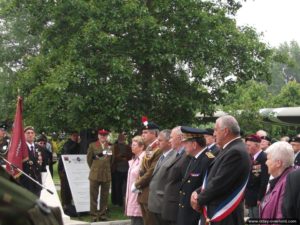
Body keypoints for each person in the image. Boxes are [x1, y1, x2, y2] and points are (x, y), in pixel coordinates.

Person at [192, 115, 251, 225]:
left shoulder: (235, 152)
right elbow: (214, 177)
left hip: (224, 215)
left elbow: (220, 182)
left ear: (225, 131)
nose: (214, 134)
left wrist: (199, 200)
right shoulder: (229, 149)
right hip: (218, 212)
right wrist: (197, 192)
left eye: (215, 130)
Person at [177, 126, 214, 225]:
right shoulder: (193, 158)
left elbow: (207, 186)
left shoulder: (208, 159)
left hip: (195, 214)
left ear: (194, 144)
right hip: (186, 212)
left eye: (185, 143)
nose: (183, 146)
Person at [132, 121, 162, 225]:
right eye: (143, 132)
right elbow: (142, 170)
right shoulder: (149, 148)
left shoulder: (159, 149)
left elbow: (151, 172)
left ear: (154, 134)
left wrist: (137, 183)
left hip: (151, 193)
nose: (142, 135)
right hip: (143, 193)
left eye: (145, 132)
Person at [260, 141, 295, 222]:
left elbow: (282, 218)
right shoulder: (282, 178)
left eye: (268, 159)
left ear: (278, 163)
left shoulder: (288, 183)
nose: (266, 162)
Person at [161, 126, 189, 225]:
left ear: (180, 138)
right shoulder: (177, 154)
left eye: (172, 137)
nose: (170, 140)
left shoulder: (186, 156)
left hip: (176, 205)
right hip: (170, 205)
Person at [148, 129, 176, 225]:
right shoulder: (162, 155)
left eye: (160, 140)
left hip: (163, 202)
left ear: (169, 142)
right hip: (155, 202)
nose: (157, 143)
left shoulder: (175, 156)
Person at [87, 129, 112, 222]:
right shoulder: (92, 145)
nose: (103, 137)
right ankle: (93, 215)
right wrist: (94, 168)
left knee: (104, 196)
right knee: (93, 196)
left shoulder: (109, 146)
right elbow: (89, 160)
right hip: (95, 174)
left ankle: (102, 215)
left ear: (107, 136)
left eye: (105, 135)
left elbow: (111, 160)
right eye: (101, 135)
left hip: (106, 174)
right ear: (98, 136)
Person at [244, 134, 269, 219]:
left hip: (257, 197)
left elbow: (264, 180)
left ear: (257, 145)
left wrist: (260, 197)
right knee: (252, 218)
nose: (246, 147)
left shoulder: (264, 158)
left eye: (249, 145)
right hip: (250, 195)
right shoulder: (251, 157)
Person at [57, 131, 80, 214]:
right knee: (65, 187)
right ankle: (65, 204)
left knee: (70, 187)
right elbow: (67, 152)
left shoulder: (78, 145)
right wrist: (75, 143)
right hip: (64, 169)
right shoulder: (67, 144)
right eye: (74, 136)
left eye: (77, 136)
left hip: (72, 169)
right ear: (71, 136)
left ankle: (69, 203)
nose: (76, 137)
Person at [125, 136, 145, 225]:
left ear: (141, 147)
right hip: (132, 195)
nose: (132, 147)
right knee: (134, 220)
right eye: (131, 145)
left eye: (134, 145)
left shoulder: (144, 159)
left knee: (138, 221)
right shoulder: (134, 159)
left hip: (138, 195)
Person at [19, 126, 44, 197]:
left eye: (32, 133)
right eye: (28, 133)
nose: (30, 135)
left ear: (34, 135)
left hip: (37, 181)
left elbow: (43, 163)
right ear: (24, 135)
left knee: (37, 204)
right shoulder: (20, 148)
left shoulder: (39, 147)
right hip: (26, 181)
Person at [111, 132, 132, 207]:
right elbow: (113, 157)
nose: (121, 139)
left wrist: (123, 157)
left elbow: (130, 156)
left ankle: (126, 202)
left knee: (126, 186)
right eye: (120, 138)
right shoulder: (114, 147)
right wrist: (120, 157)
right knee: (117, 186)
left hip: (126, 169)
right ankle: (117, 202)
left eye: (123, 138)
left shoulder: (128, 147)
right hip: (116, 169)